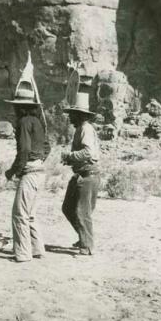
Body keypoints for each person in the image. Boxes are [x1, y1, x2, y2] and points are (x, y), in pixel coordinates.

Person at [4, 52, 50, 263]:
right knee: (30, 213)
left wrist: (13, 171)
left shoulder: (24, 123)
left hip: (31, 173)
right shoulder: (38, 123)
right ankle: (37, 249)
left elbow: (23, 151)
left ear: (21, 106)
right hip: (40, 172)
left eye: (15, 105)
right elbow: (47, 147)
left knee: (19, 214)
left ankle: (23, 254)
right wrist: (38, 160)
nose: (13, 108)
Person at [61, 90, 101, 256]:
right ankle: (84, 237)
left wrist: (69, 156)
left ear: (79, 115)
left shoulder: (85, 129)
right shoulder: (83, 128)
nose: (69, 118)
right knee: (68, 208)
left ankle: (87, 245)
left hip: (87, 175)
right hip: (83, 174)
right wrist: (71, 160)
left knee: (82, 211)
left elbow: (88, 153)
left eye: (72, 114)